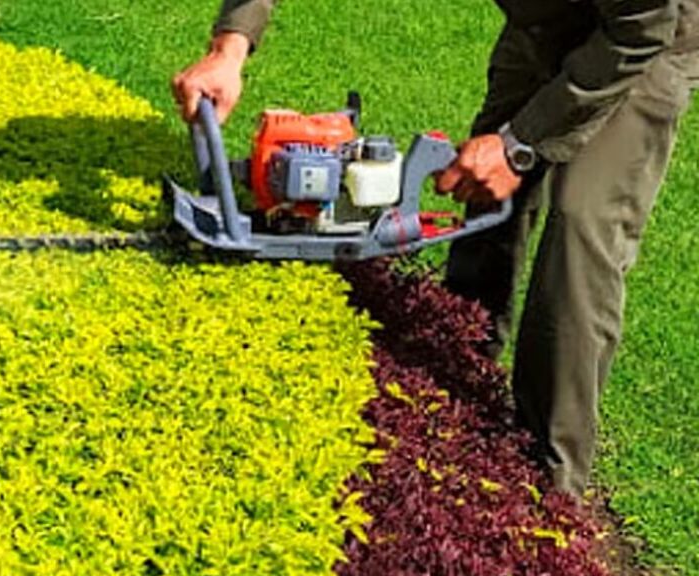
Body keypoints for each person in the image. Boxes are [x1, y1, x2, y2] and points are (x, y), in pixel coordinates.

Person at [172, 0, 699, 498]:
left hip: (643, 40)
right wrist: (229, 47)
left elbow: (642, 27)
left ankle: (550, 487)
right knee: (479, 193)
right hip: (544, 22)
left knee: (581, 227)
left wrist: (518, 143)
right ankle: (455, 380)